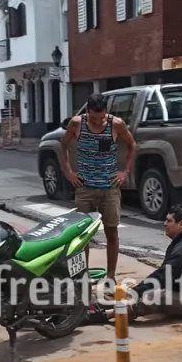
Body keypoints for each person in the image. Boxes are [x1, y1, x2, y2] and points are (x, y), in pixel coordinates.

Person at [86, 204, 182, 324]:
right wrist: (138, 288)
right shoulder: (181, 243)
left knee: (157, 296)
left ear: (181, 224)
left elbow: (163, 276)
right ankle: (96, 305)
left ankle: (108, 314)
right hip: (181, 291)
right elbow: (163, 275)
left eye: (169, 221)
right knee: (137, 288)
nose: (165, 224)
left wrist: (136, 291)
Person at [57, 93, 136, 281]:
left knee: (112, 232)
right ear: (87, 112)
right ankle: (83, 276)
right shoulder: (77, 124)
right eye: (94, 118)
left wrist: (125, 172)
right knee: (82, 236)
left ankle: (110, 276)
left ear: (106, 113)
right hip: (85, 188)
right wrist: (69, 173)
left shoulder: (115, 124)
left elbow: (132, 145)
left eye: (101, 118)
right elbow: (62, 146)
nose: (98, 122)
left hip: (109, 188)